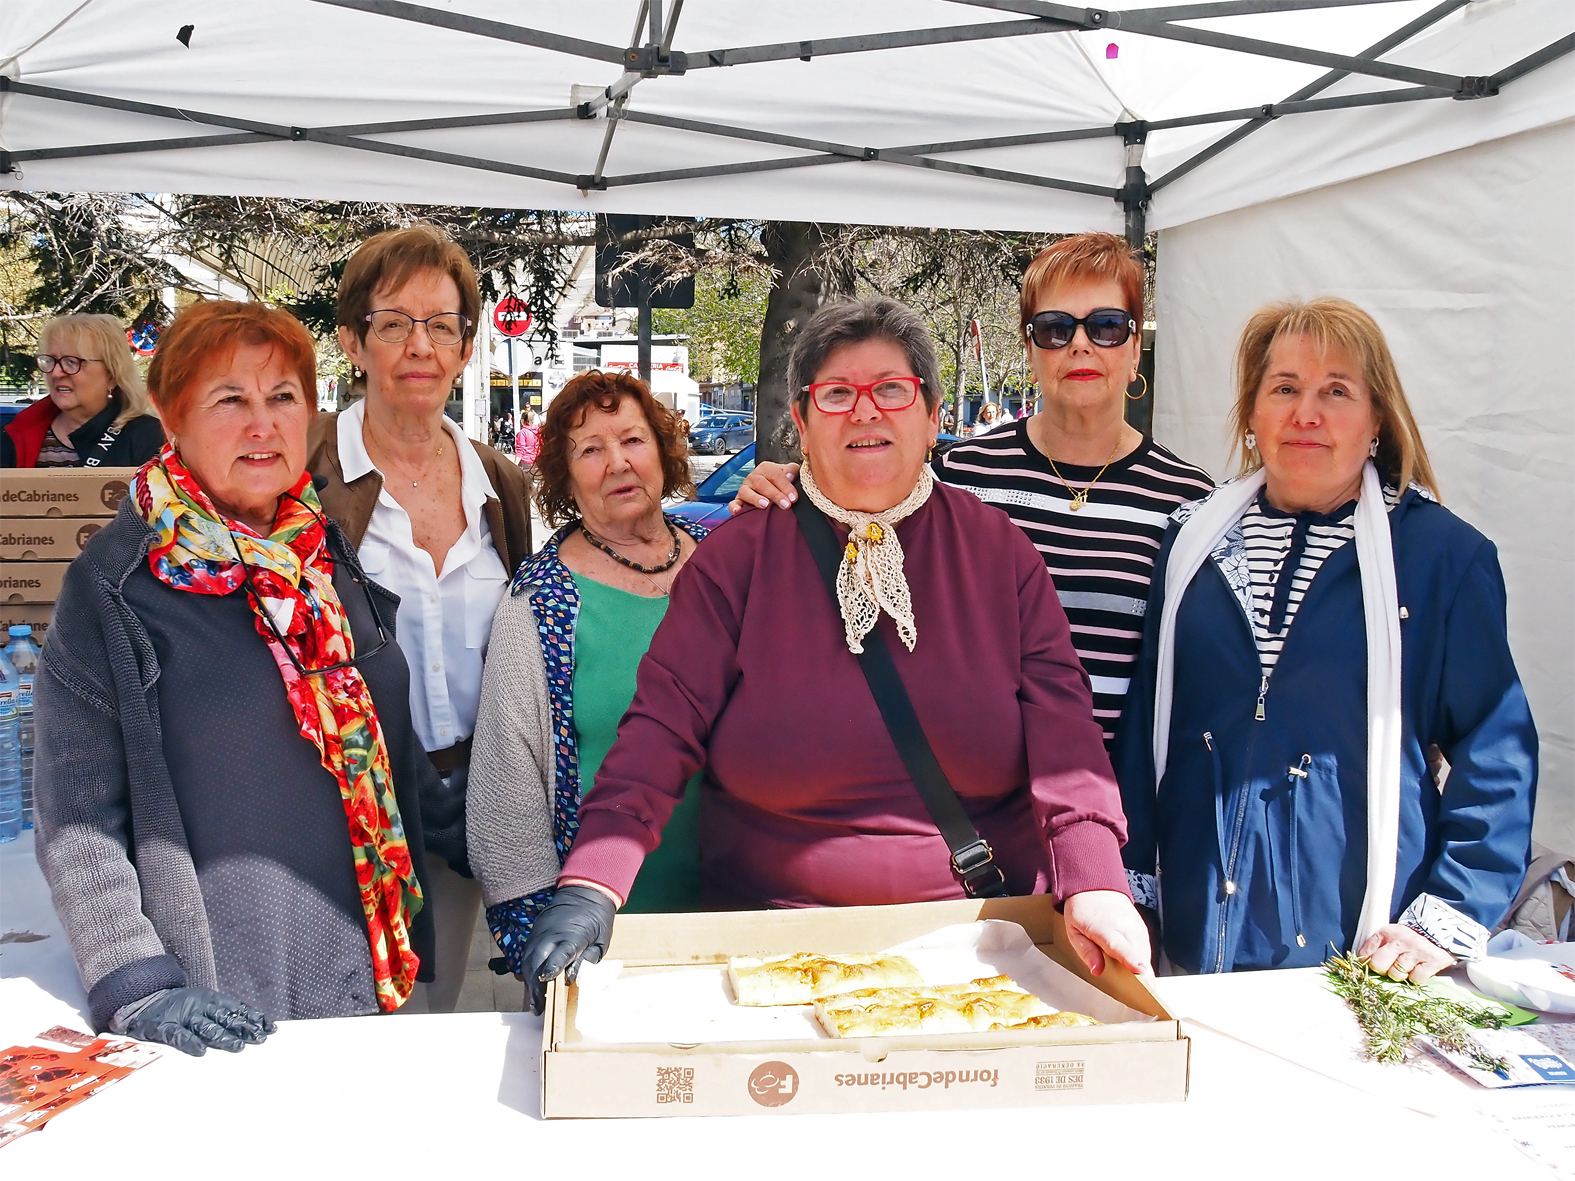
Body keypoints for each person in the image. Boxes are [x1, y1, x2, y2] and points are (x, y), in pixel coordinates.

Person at [516, 297, 1151, 1012]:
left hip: (981, 943)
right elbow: (660, 731)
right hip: (769, 943)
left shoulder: (999, 554)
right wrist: (592, 884)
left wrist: (1096, 879)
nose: (865, 412)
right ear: (803, 420)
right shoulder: (738, 560)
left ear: (932, 415)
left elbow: (1066, 737)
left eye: (890, 390)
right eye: (837, 394)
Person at [32, 300, 437, 1054]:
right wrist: (137, 979)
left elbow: (372, 729)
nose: (264, 424)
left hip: (369, 964)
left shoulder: (317, 552)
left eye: (283, 397)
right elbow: (75, 816)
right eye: (231, 400)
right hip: (225, 995)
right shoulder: (118, 585)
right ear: (171, 414)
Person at [1113, 297, 1537, 978]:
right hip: (1192, 926)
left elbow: (1495, 751)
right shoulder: (1190, 541)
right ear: (1252, 415)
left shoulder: (1439, 557)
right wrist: (1128, 887)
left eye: (1335, 391)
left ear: (1376, 419)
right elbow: (1143, 729)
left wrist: (1449, 911)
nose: (1304, 412)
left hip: (1355, 936)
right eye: (1283, 388)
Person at [734, 234, 1214, 757]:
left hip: (1112, 797)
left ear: (1134, 346)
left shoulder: (1191, 503)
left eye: (1105, 326)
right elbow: (850, 522)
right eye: (1055, 328)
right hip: (967, 796)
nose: (1080, 345)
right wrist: (789, 487)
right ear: (1029, 348)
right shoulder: (955, 474)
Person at [306, 224, 533, 1013]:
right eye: (394, 322)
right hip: (337, 808)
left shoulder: (499, 481)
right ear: (351, 340)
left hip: (467, 806)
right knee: (343, 1018)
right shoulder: (305, 471)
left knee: (434, 1008)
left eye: (442, 325)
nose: (420, 345)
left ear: (467, 346)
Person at [466, 370, 707, 978]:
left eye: (632, 440)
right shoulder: (541, 599)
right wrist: (537, 933)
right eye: (590, 450)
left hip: (745, 904)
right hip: (602, 929)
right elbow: (506, 782)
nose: (617, 463)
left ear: (662, 449)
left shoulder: (723, 559)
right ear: (566, 478)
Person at [3, 314, 164, 468]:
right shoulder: (17, 435)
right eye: (51, 361)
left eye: (72, 362)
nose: (56, 373)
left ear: (112, 374)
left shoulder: (149, 438)